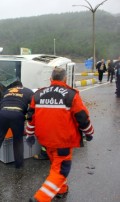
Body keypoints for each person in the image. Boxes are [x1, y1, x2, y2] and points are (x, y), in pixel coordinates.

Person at [25, 68, 94, 202]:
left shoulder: (38, 95)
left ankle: (62, 190)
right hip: (62, 141)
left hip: (45, 140)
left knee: (56, 166)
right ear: (65, 79)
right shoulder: (71, 95)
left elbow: (31, 118)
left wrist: (29, 134)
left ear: (51, 79)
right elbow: (82, 117)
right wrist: (89, 133)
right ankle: (41, 198)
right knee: (62, 170)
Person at [0, 80, 34, 171]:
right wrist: (28, 117)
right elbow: (33, 106)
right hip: (17, 115)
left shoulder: (7, 91)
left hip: (2, 114)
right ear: (21, 86)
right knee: (17, 140)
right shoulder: (28, 91)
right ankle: (18, 165)